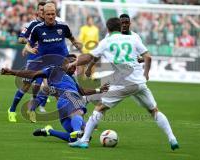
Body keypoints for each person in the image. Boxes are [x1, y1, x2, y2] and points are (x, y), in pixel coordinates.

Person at [68, 17, 179, 150]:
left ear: (108, 29)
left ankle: (84, 140)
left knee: (99, 108)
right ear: (120, 27)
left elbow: (89, 57)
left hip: (122, 84)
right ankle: (172, 138)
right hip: (139, 83)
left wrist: (74, 63)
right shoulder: (134, 39)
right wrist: (146, 74)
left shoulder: (106, 41)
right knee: (154, 110)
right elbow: (148, 57)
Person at [0, 54, 109, 142]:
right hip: (69, 96)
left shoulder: (71, 79)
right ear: (65, 63)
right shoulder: (54, 70)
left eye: (75, 65)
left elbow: (82, 91)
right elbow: (33, 74)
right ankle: (77, 130)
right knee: (78, 112)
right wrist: (11, 72)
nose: (74, 66)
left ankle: (50, 131)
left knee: (85, 137)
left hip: (63, 104)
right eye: (72, 63)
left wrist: (99, 90)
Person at [23, 2, 82, 122]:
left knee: (61, 90)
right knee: (66, 90)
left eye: (53, 14)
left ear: (56, 14)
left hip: (65, 65)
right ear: (43, 15)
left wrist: (82, 50)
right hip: (49, 65)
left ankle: (33, 108)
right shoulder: (37, 29)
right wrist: (31, 49)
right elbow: (28, 46)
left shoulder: (63, 27)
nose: (51, 16)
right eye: (48, 14)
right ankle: (77, 118)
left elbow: (73, 39)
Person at [7, 1, 47, 123]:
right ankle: (12, 110)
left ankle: (32, 110)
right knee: (26, 85)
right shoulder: (32, 24)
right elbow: (20, 39)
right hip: (33, 59)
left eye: (44, 10)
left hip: (45, 60)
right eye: (41, 10)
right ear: (37, 11)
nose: (43, 12)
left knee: (39, 86)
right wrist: (29, 43)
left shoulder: (50, 25)